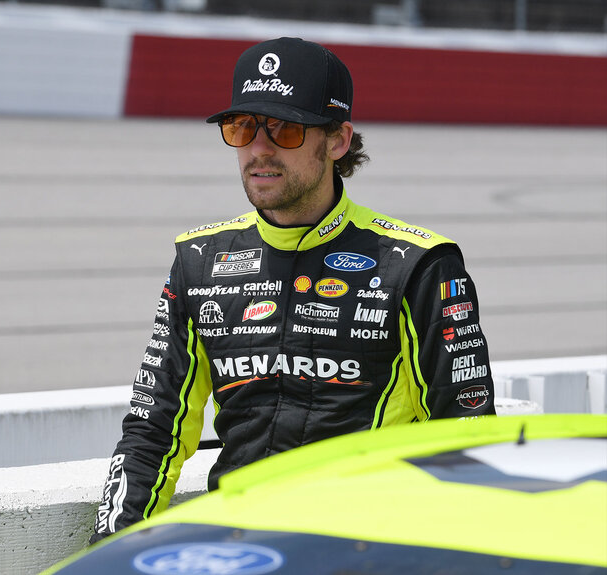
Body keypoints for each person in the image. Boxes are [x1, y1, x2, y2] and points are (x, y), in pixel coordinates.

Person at [91, 37, 495, 543]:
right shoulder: (199, 261)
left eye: (284, 129)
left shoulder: (420, 265)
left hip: (369, 551)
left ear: (338, 141)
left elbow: (468, 441)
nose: (259, 149)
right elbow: (152, 434)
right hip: (241, 551)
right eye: (242, 128)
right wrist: (109, 551)